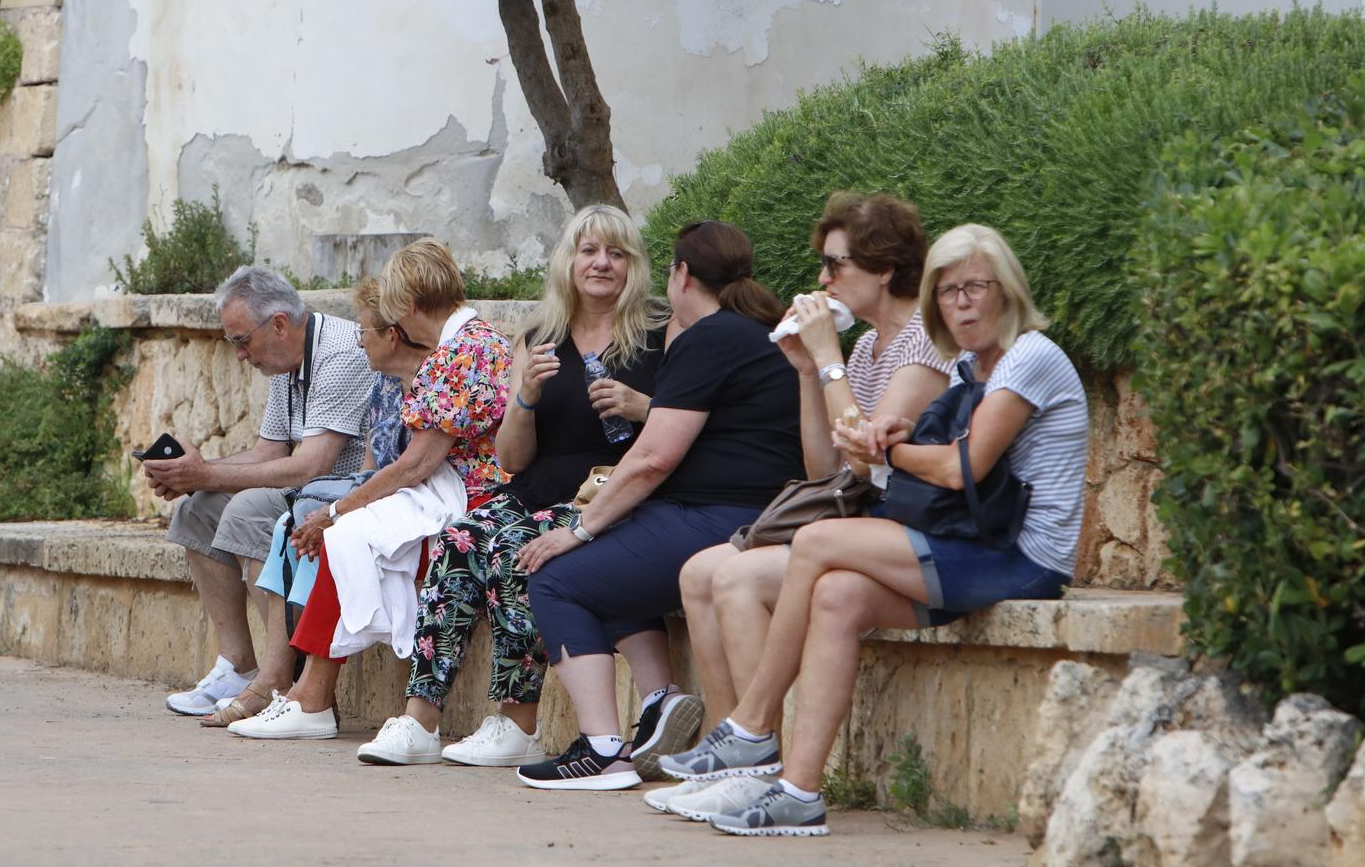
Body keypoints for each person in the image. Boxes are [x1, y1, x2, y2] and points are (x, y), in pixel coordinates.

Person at [681, 224, 1087, 838]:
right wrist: (887, 444)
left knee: (817, 543)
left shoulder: (1030, 355)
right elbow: (887, 460)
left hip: (1020, 555)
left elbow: (960, 466)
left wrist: (890, 452)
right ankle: (798, 792)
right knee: (836, 594)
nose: (961, 303)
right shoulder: (974, 366)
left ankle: (753, 727)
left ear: (1007, 289)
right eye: (948, 293)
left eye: (975, 287)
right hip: (974, 541)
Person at [656, 193, 950, 816]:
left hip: (895, 526)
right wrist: (803, 371)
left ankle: (762, 757)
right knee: (697, 572)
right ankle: (738, 744)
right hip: (858, 517)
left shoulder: (926, 345)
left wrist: (825, 357)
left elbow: (869, 459)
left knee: (735, 577)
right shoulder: (867, 349)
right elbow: (825, 469)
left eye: (835, 265)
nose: (822, 279)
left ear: (885, 271)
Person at [353, 205, 668, 768]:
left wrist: (641, 407)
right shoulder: (540, 336)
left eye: (615, 253)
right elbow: (511, 457)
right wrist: (523, 398)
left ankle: (517, 720)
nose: (601, 263)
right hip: (539, 487)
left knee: (512, 552)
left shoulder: (659, 334)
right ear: (568, 262)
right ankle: (419, 719)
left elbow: (683, 428)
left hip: (611, 496)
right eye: (588, 251)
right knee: (461, 539)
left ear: (633, 265)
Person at [513, 220, 804, 790]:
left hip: (721, 520)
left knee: (555, 579)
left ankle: (602, 751)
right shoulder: (743, 333)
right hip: (730, 514)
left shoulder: (710, 337)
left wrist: (577, 531)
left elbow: (652, 458)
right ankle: (660, 705)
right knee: (607, 569)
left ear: (681, 276)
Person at [227, 239, 510, 740]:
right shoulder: (461, 346)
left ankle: (311, 699)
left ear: (411, 306)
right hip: (446, 494)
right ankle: (307, 697)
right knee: (345, 534)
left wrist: (336, 511)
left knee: (348, 532)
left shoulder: (467, 349)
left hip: (473, 502)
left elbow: (416, 463)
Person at [149, 265, 377, 718]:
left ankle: (281, 675)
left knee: (248, 508)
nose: (239, 355)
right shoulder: (284, 359)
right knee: (196, 510)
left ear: (278, 324)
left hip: (337, 496)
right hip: (304, 490)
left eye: (241, 341)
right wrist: (192, 474)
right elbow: (268, 451)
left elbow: (311, 465)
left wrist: (205, 474)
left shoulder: (341, 353)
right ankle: (238, 665)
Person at [222, 275, 431, 727]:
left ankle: (309, 696)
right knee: (290, 527)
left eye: (365, 332)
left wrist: (336, 510)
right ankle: (284, 679)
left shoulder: (428, 381)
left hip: (422, 503)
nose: (359, 341)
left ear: (391, 335)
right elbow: (374, 468)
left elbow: (410, 470)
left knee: (332, 530)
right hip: (386, 497)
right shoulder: (384, 385)